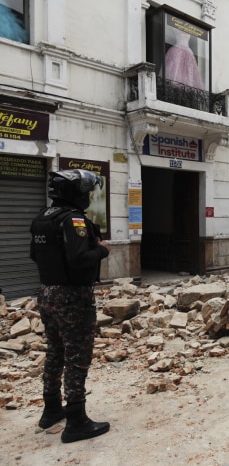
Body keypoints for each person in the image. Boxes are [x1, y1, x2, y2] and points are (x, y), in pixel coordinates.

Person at [29, 169, 111, 443]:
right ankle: (76, 421)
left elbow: (33, 255)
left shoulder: (44, 218)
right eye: (85, 192)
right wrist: (101, 249)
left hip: (47, 293)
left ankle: (51, 408)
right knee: (77, 356)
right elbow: (80, 259)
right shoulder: (74, 219)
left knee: (56, 351)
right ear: (74, 194)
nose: (87, 196)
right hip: (72, 297)